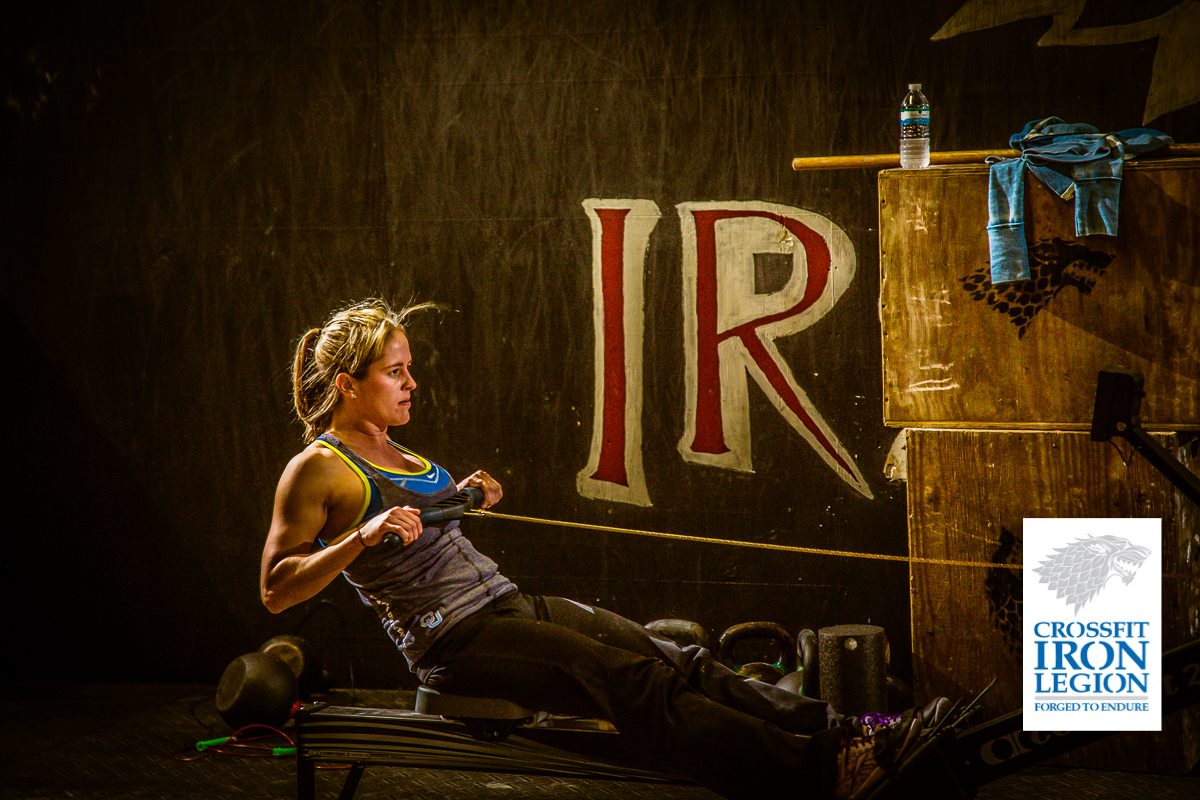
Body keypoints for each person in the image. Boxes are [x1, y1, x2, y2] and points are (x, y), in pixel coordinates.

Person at [260, 298, 944, 800]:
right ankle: (825, 774)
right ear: (348, 384)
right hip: (454, 641)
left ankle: (851, 735)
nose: (412, 384)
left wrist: (467, 494)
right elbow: (277, 588)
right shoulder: (317, 468)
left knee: (677, 657)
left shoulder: (395, 447)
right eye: (395, 372)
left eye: (409, 369)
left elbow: (423, 523)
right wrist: (360, 536)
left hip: (504, 606)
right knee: (637, 684)